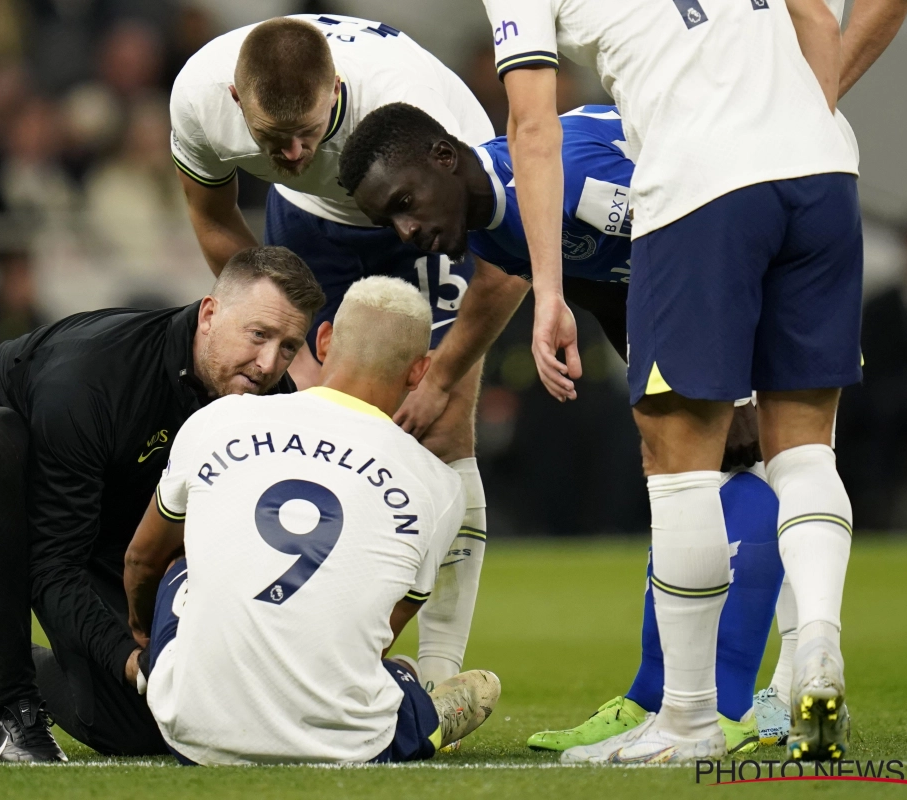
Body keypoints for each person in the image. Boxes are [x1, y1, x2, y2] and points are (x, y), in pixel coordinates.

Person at [482, 0, 863, 765]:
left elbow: (533, 127)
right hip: (824, 168)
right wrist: (793, 125)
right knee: (803, 450)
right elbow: (816, 17)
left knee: (681, 463)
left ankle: (687, 721)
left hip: (700, 183)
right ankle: (816, 643)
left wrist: (549, 292)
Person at [340, 101, 782, 754]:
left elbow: (707, 231)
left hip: (760, 246)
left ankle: (739, 706)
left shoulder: (563, 180)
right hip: (692, 287)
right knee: (682, 472)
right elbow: (607, 276)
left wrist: (737, 385)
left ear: (445, 156)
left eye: (406, 202)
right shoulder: (484, 225)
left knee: (746, 465)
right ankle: (650, 699)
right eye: (390, 220)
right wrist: (651, 375)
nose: (407, 229)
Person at [171, 13, 495, 693]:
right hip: (312, 222)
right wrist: (293, 353)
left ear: (338, 89)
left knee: (437, 425)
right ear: (236, 98)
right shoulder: (198, 94)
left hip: (426, 208)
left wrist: (446, 375)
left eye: (307, 134)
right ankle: (318, 650)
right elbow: (211, 218)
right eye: (270, 139)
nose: (289, 154)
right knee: (307, 419)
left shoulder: (420, 112)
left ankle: (439, 675)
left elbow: (511, 264)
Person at [0, 247, 324, 761]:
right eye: (258, 335)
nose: (268, 364)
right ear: (210, 314)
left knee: (147, 728)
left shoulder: (271, 404)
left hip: (105, 513)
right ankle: (16, 711)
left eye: (287, 347)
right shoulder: (95, 377)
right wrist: (130, 658)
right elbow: (53, 563)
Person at [123, 277, 502, 765]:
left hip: (190, 733)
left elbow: (140, 559)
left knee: (179, 562)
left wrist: (151, 641)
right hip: (347, 746)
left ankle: (180, 675)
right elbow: (382, 629)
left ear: (322, 342)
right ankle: (421, 712)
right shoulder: (439, 484)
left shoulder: (220, 420)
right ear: (419, 372)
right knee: (449, 686)